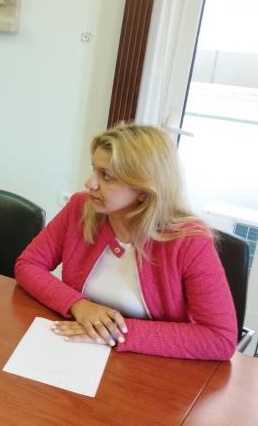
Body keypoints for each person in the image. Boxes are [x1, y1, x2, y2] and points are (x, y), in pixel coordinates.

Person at [14, 123, 236, 360]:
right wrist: (79, 305)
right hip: (79, 350)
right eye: (94, 169)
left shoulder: (190, 241)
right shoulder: (81, 207)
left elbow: (220, 338)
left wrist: (113, 332)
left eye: (106, 176)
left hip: (151, 363)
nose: (90, 183)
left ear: (144, 190)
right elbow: (28, 265)